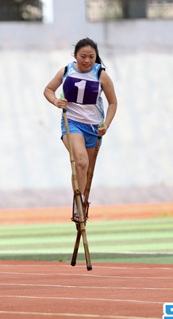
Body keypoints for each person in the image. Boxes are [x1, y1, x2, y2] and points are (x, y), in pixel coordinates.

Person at [43, 38, 117, 217]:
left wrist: (106, 124)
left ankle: (83, 202)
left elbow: (113, 103)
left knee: (87, 169)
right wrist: (55, 101)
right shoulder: (66, 71)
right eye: (83, 56)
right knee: (81, 161)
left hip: (94, 127)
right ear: (75, 56)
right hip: (72, 123)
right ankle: (77, 204)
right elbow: (48, 90)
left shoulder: (101, 75)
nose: (87, 60)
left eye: (91, 57)